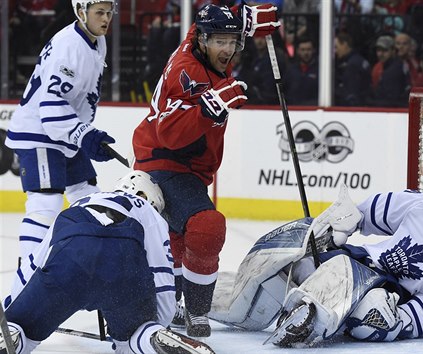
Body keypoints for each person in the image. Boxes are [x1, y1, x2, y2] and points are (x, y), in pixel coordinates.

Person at [131, 2, 280, 338]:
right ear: (202, 40)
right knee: (206, 227)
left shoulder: (195, 42)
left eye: (233, 41)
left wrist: (242, 17)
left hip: (183, 166)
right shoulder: (190, 72)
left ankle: (164, 301)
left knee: (177, 238)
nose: (228, 49)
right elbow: (169, 133)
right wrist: (208, 107)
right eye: (220, 42)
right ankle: (197, 311)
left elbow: (208, 19)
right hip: (167, 162)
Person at [206, 186, 423, 346]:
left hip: (383, 292)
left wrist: (396, 321)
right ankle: (210, 302)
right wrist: (347, 220)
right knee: (297, 249)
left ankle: (309, 316)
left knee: (364, 306)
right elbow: (373, 212)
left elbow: (420, 318)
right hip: (357, 256)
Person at [0, 171, 215, 354]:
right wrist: (157, 322)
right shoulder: (148, 211)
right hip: (120, 264)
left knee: (23, 328)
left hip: (70, 259)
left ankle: (14, 332)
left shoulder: (80, 203)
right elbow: (161, 269)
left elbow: (37, 260)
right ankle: (151, 337)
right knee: (132, 337)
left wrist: (15, 309)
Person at [5, 0, 118, 264]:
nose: (106, 18)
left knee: (89, 196)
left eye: (109, 12)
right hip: (40, 132)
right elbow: (51, 104)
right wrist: (84, 135)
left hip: (63, 134)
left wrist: (84, 133)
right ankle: (29, 274)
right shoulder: (69, 46)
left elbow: (80, 96)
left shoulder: (95, 40)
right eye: (99, 12)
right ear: (81, 12)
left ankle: (97, 266)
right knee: (47, 203)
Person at [369, 34, 410, 107]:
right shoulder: (396, 64)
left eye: (385, 50)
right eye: (378, 50)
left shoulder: (393, 70)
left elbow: (389, 101)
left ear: (393, 51)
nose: (380, 54)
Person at [334, 31, 370, 106]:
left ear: (344, 44)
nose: (335, 51)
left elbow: (351, 93)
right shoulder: (359, 59)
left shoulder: (352, 65)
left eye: (336, 47)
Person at [285, 35, 319, 105]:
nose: (306, 53)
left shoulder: (320, 70)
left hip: (313, 111)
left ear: (313, 50)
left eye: (309, 49)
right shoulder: (291, 70)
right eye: (303, 50)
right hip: (293, 110)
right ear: (298, 51)